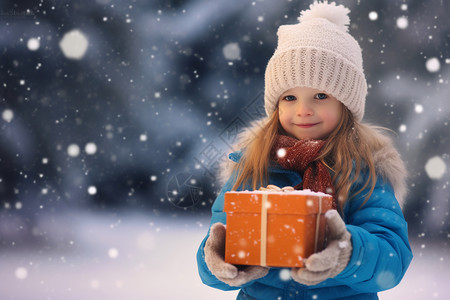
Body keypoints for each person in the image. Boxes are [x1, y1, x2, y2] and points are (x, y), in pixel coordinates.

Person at [196, 1, 413, 299]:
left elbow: (393, 259)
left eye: (320, 95)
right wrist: (220, 256)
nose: (303, 110)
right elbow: (214, 254)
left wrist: (347, 251)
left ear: (346, 104)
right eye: (289, 98)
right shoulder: (253, 165)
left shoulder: (364, 169)